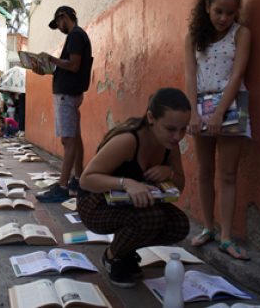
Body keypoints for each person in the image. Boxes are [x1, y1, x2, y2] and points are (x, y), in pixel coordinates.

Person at [77, 88, 191, 288]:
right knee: (151, 218)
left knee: (179, 224)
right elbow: (86, 180)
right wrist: (126, 183)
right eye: (171, 128)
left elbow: (179, 188)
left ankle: (125, 249)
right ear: (151, 118)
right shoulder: (128, 140)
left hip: (133, 205)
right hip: (95, 203)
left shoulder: (170, 146)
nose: (177, 136)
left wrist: (170, 173)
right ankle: (113, 257)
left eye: (183, 129)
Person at [185, 0, 251, 260]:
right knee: (204, 171)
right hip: (200, 105)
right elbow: (190, 76)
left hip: (234, 104)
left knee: (227, 174)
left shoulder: (242, 34)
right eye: (219, 11)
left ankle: (225, 236)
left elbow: (237, 76)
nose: (225, 18)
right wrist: (193, 112)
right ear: (207, 8)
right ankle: (208, 228)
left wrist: (220, 112)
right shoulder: (192, 37)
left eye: (231, 13)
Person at [33, 6, 93, 202]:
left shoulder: (76, 35)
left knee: (68, 141)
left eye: (58, 23)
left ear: (64, 17)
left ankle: (63, 186)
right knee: (75, 138)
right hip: (70, 93)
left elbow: (74, 65)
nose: (58, 27)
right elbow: (68, 66)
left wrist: (51, 59)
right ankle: (78, 179)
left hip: (67, 95)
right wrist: (45, 68)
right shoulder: (76, 36)